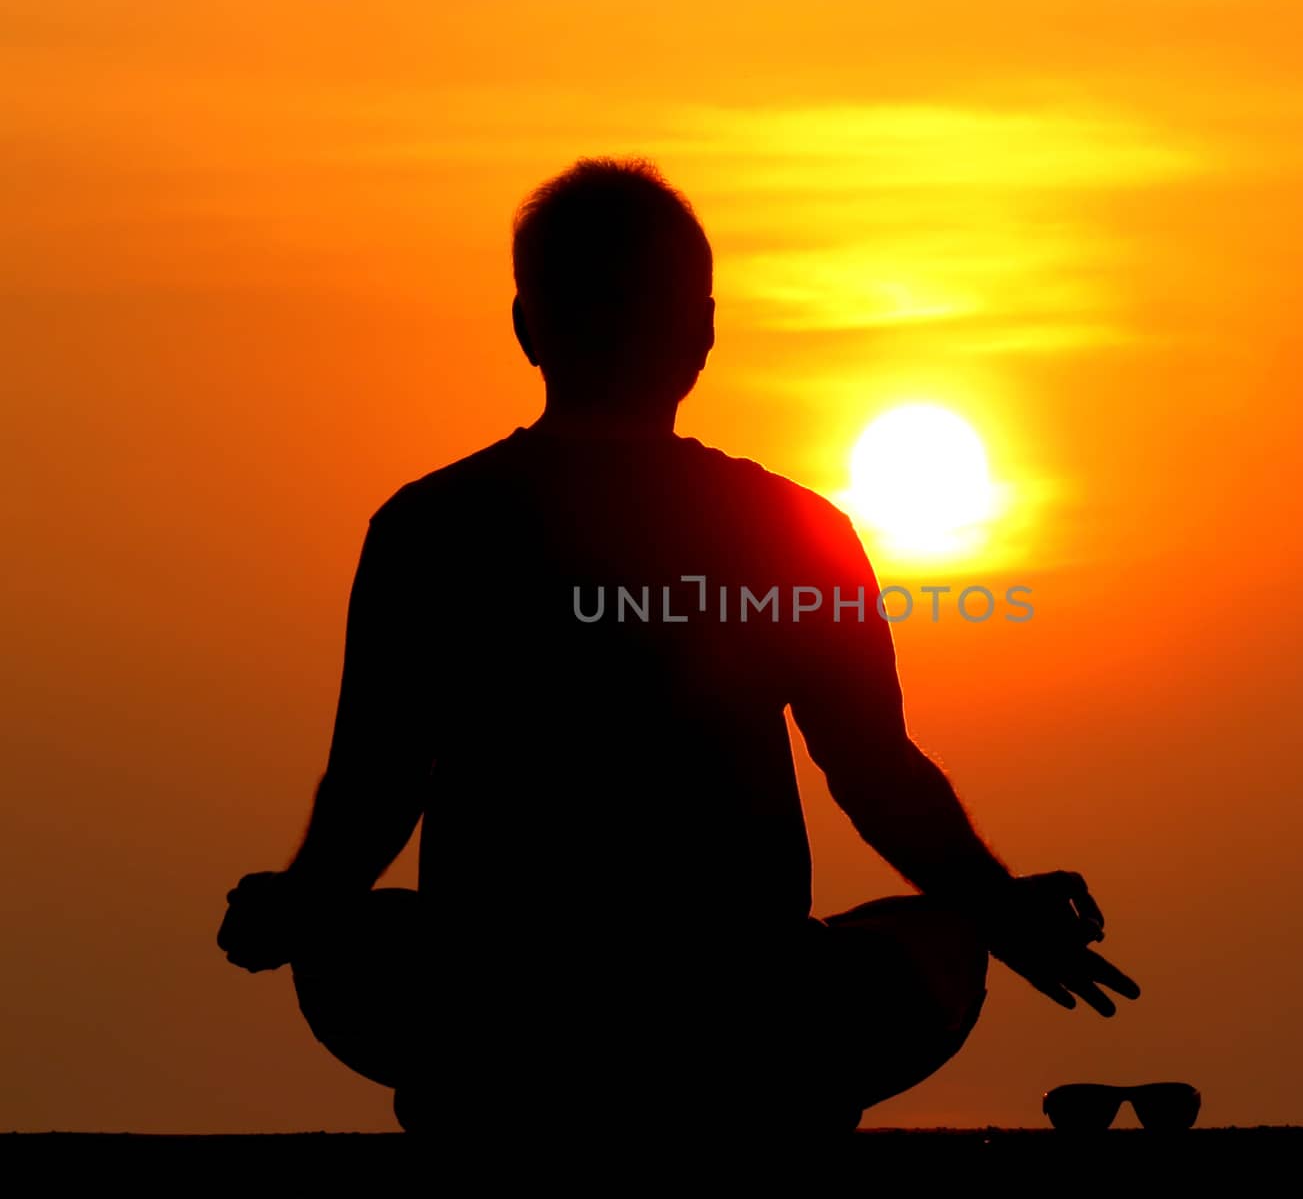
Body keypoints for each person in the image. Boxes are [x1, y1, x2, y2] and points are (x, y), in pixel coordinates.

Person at [217, 158, 1138, 1136]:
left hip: (497, 1017)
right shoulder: (793, 532)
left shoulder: (431, 527)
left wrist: (298, 902)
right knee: (941, 941)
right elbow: (873, 771)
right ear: (699, 333)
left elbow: (376, 781)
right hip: (738, 1017)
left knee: (342, 942)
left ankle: (491, 1090)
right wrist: (997, 907)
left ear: (530, 327)